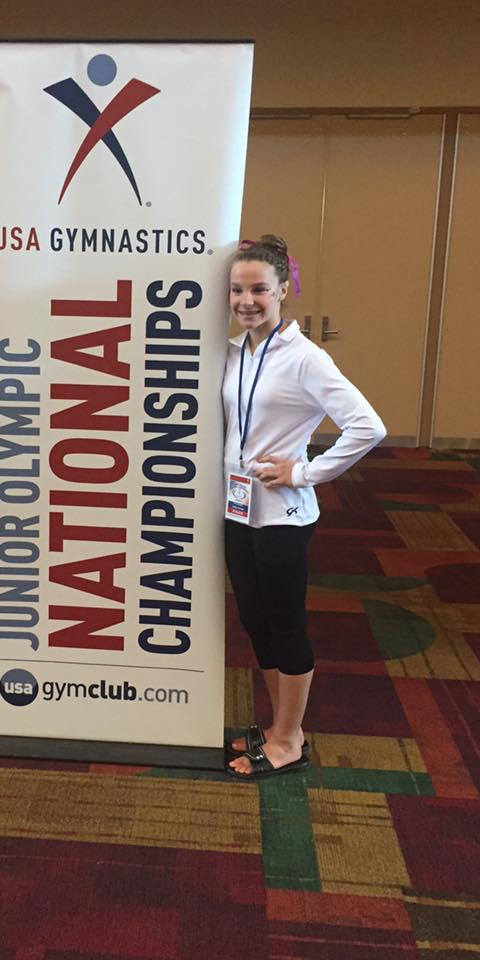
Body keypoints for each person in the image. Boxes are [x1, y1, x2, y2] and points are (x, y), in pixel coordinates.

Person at [223, 235, 385, 780]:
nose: (247, 301)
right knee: (255, 621)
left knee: (285, 623)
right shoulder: (236, 351)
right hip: (239, 509)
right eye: (238, 290)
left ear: (282, 291)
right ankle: (279, 727)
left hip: (283, 516)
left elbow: (367, 426)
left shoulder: (305, 357)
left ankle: (290, 740)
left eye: (259, 290)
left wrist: (304, 471)